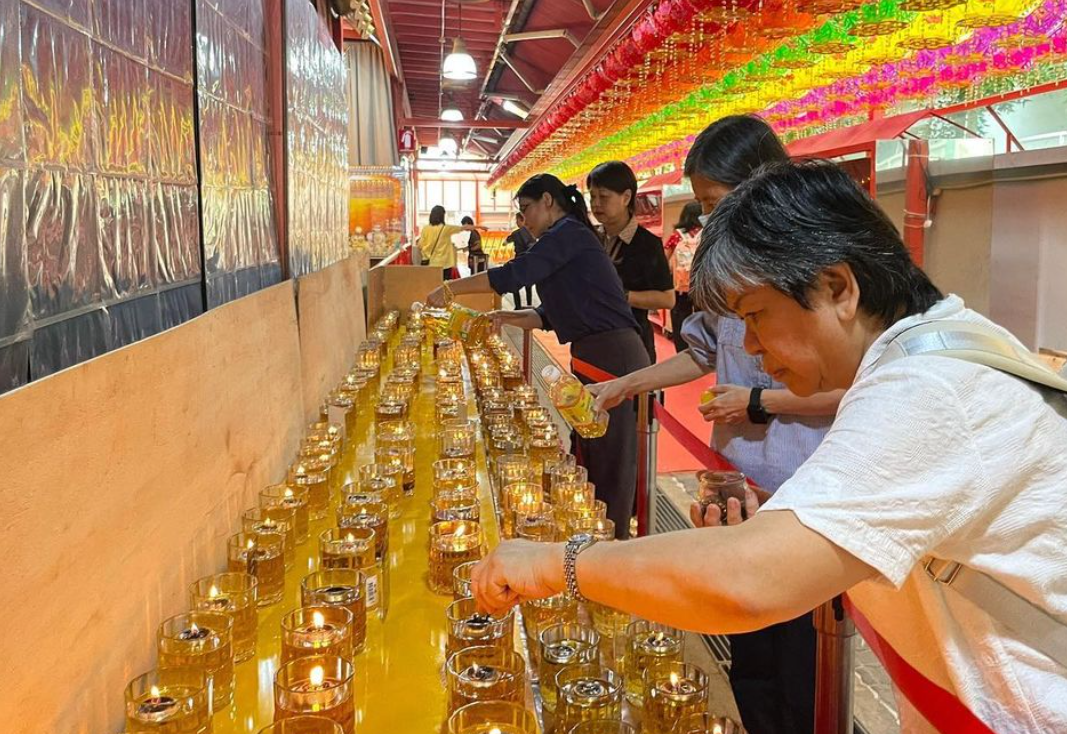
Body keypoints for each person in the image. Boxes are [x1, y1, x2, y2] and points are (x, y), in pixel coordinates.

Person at [472, 160, 1067, 733]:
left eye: (757, 316)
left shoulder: (930, 390)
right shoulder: (926, 353)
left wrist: (556, 563)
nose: (750, 347)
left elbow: (749, 584)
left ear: (838, 287)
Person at [588, 116, 842, 734]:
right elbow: (701, 349)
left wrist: (759, 401)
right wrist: (625, 384)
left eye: (711, 203)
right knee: (748, 648)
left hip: (802, 492)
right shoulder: (727, 270)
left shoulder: (816, 269)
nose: (706, 221)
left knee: (802, 663)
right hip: (739, 487)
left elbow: (850, 386)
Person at [425, 173, 650, 538]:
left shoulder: (567, 234)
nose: (524, 219)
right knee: (589, 451)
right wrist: (503, 317)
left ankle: (613, 547)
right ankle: (593, 540)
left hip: (613, 357)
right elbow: (550, 312)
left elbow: (516, 274)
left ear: (548, 201)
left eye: (526, 208)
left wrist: (452, 288)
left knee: (610, 461)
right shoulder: (564, 239)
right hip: (594, 354)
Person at [588, 161, 675, 364]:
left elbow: (667, 299)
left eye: (604, 196)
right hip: (593, 341)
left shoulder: (646, 244)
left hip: (632, 346)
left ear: (626, 197)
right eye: (592, 196)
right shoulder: (591, 239)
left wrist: (623, 296)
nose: (596, 203)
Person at [665, 201, 703, 353]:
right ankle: (703, 348)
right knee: (703, 316)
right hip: (701, 284)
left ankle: (682, 349)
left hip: (680, 285)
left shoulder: (677, 235)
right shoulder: (706, 232)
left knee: (680, 315)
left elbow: (665, 260)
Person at [417, 205, 480, 280]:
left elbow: (420, 245)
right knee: (445, 286)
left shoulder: (425, 228)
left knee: (431, 285)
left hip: (429, 264)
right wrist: (480, 227)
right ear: (442, 216)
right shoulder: (445, 228)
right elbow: (464, 227)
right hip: (444, 264)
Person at [505, 212, 535, 307]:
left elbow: (505, 242)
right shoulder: (532, 232)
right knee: (528, 285)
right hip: (528, 260)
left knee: (515, 284)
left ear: (521, 220)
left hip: (518, 260)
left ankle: (517, 306)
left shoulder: (516, 233)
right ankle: (529, 304)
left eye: (516, 220)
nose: (516, 222)